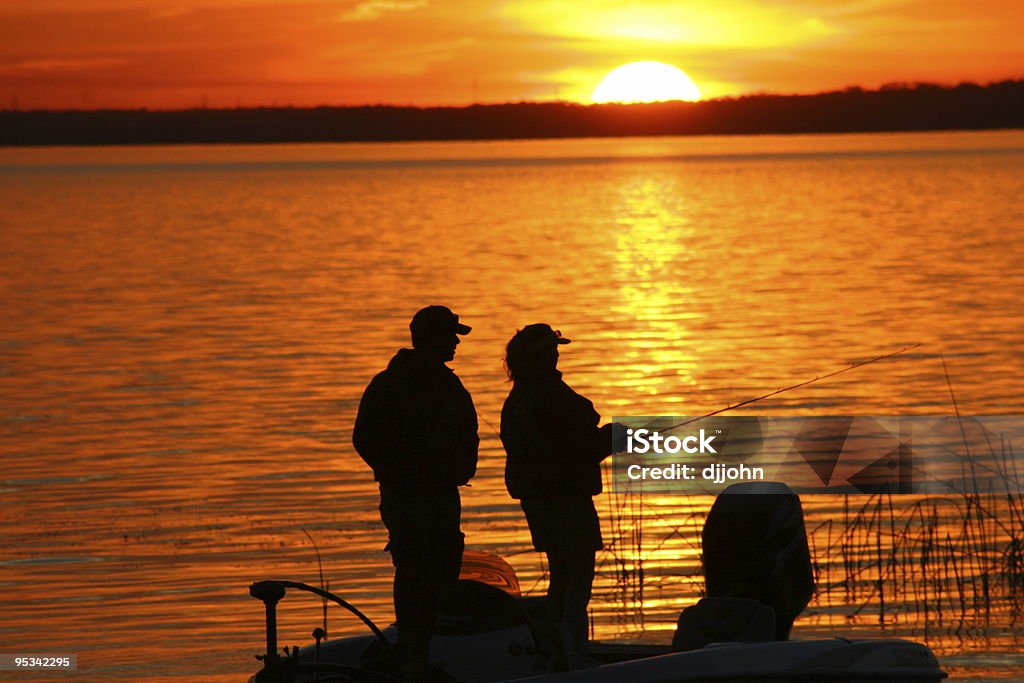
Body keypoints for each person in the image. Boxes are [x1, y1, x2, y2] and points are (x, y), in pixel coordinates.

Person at [353, 305, 479, 680]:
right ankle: (414, 655)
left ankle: (423, 652)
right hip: (408, 496)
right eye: (451, 335)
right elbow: (365, 439)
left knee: (441, 569)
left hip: (442, 493)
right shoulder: (390, 383)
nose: (457, 342)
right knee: (413, 569)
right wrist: (401, 472)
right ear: (434, 338)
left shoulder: (446, 382)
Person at [499, 323, 619, 669]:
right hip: (565, 497)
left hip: (537, 498)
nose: (557, 354)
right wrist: (614, 437)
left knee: (560, 572)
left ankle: (556, 650)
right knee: (578, 573)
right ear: (541, 356)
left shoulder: (519, 397)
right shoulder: (550, 394)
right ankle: (571, 652)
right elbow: (579, 447)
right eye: (552, 349)